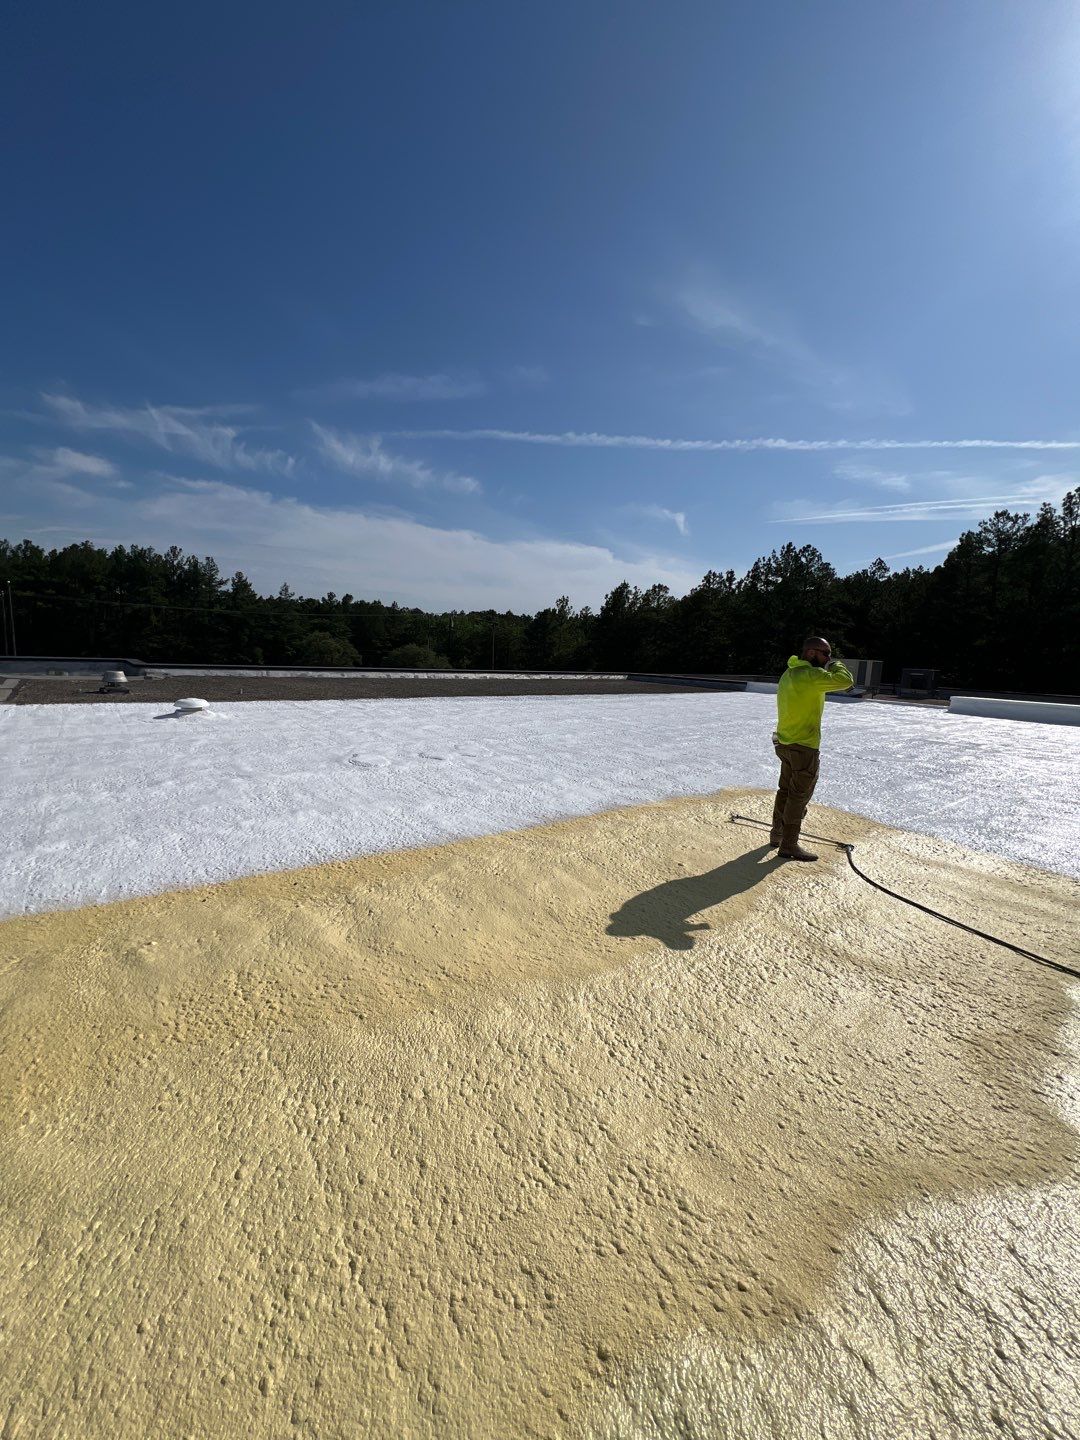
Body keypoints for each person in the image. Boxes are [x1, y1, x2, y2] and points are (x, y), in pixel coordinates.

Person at [770, 636, 853, 861]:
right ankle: (789, 845)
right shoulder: (812, 675)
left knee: (785, 790)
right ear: (811, 653)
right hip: (804, 746)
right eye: (825, 654)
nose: (828, 658)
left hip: (785, 742)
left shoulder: (789, 673)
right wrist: (835, 664)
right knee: (799, 796)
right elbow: (845, 680)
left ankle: (777, 834)